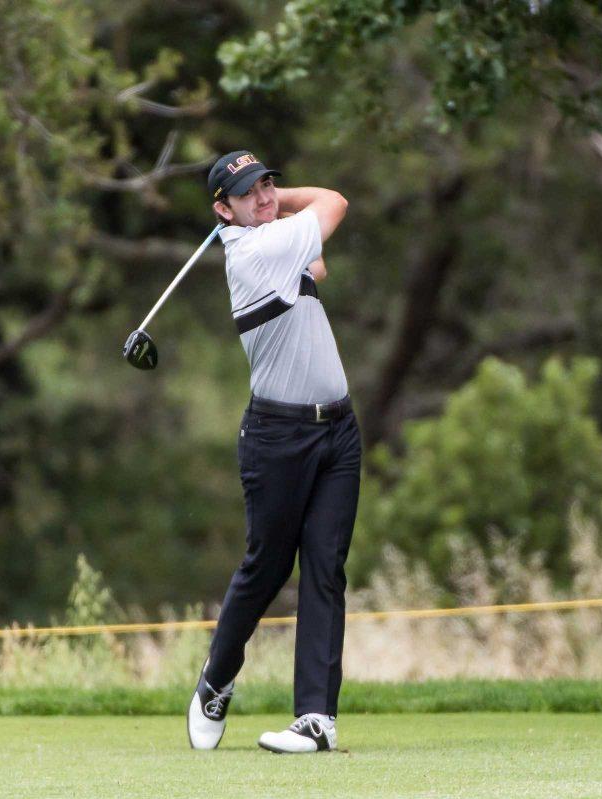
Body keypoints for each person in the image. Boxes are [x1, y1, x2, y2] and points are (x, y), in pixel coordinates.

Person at [187, 150, 360, 754]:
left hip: (338, 431)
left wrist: (260, 209)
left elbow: (318, 266)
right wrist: (273, 212)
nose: (264, 197)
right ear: (222, 210)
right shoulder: (256, 251)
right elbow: (335, 202)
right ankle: (217, 677)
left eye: (268, 185)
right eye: (248, 192)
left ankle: (316, 718)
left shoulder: (270, 240)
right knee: (267, 567)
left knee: (324, 566)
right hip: (278, 437)